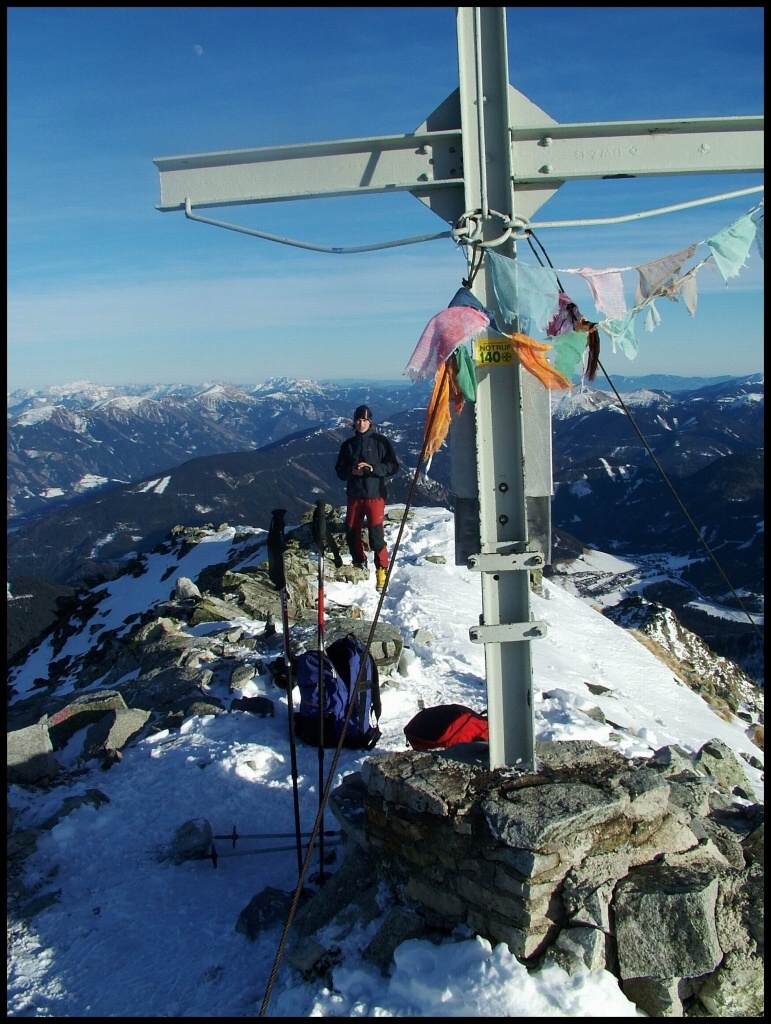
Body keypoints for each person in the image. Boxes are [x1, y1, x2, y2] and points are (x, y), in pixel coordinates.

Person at [335, 405, 399, 591]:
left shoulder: (381, 442)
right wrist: (352, 472)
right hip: (354, 495)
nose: (361, 423)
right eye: (358, 420)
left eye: (364, 420)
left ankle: (381, 571)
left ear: (370, 422)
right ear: (354, 422)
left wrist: (374, 469)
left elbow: (393, 466)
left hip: (375, 495)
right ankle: (359, 562)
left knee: (376, 535)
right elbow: (340, 471)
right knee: (350, 531)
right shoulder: (348, 445)